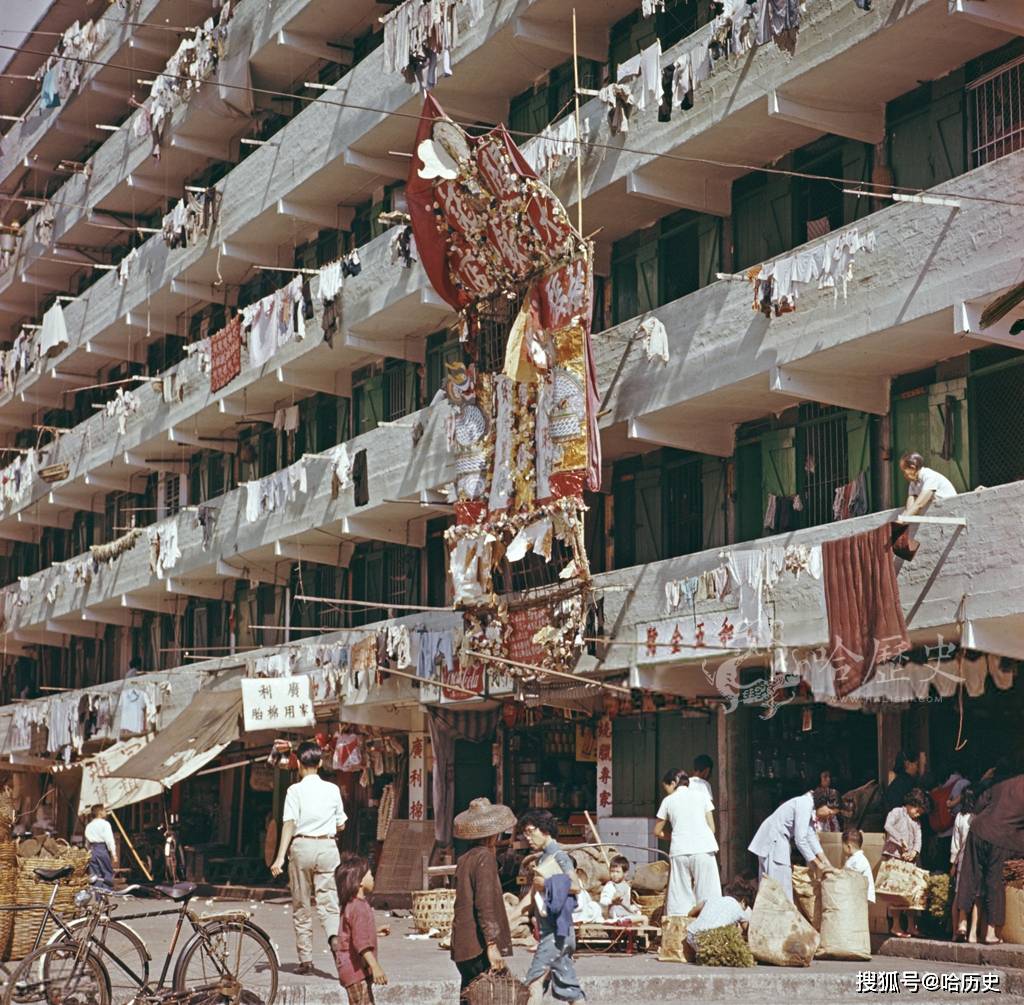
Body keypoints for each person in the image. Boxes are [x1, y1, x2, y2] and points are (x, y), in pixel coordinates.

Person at [270, 740, 347, 975]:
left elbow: (289, 824)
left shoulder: (294, 791)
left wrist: (279, 858)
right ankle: (333, 937)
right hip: (327, 847)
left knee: (302, 905)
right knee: (329, 903)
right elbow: (341, 824)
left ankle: (306, 961)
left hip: (302, 848)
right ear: (320, 763)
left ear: (298, 764)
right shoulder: (332, 789)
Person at [450, 798, 515, 1001]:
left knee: (470, 995)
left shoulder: (465, 858)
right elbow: (484, 906)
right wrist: (492, 945)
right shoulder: (484, 857)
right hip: (476, 946)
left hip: (463, 945)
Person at [518, 810, 584, 1005]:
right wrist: (509, 918)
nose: (527, 837)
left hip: (556, 934)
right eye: (525, 833)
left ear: (545, 830)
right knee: (570, 989)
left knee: (534, 982)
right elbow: (531, 898)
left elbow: (575, 886)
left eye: (531, 832)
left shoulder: (559, 856)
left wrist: (546, 883)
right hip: (557, 932)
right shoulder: (541, 859)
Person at [955, 771, 1024, 946]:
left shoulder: (1001, 781)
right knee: (994, 882)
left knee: (969, 874)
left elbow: (978, 806)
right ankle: (990, 933)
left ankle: (962, 923)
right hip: (1002, 836)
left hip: (978, 829)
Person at [748, 787, 839, 901]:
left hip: (775, 841)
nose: (828, 817)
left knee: (773, 889)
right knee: (779, 889)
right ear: (824, 803)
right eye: (829, 813)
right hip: (774, 842)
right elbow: (800, 840)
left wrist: (826, 862)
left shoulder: (809, 807)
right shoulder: (805, 804)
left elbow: (810, 836)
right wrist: (818, 864)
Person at [655, 770, 721, 917]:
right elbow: (712, 828)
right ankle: (711, 922)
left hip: (680, 850)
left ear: (673, 783)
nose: (667, 792)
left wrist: (675, 837)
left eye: (667, 788)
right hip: (704, 848)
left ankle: (679, 925)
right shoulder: (702, 796)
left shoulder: (668, 801)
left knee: (680, 895)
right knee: (708, 892)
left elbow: (657, 831)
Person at [334, 854, 387, 1004]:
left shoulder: (351, 904)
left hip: (350, 969)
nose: (373, 877)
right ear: (360, 881)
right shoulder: (359, 908)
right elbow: (361, 943)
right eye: (370, 874)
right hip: (356, 971)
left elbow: (353, 933)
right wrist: (375, 967)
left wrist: (375, 932)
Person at [882, 787, 927, 937]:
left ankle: (911, 925)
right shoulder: (897, 812)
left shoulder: (917, 822)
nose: (917, 814)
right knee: (895, 893)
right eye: (917, 810)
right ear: (910, 804)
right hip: (894, 857)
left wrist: (914, 852)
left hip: (909, 860)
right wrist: (900, 840)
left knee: (910, 894)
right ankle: (895, 925)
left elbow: (918, 839)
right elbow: (887, 826)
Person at [685, 878, 754, 951]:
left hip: (691, 934)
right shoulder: (739, 910)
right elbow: (748, 932)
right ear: (743, 901)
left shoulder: (715, 899)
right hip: (710, 940)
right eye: (745, 907)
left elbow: (691, 912)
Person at [950, 786, 978, 942]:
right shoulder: (978, 817)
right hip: (975, 859)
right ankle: (973, 933)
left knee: (958, 894)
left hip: (961, 859)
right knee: (976, 896)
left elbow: (955, 842)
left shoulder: (959, 817)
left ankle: (956, 931)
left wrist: (953, 863)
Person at [599, 856, 642, 921]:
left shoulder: (627, 887)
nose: (614, 874)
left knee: (639, 913)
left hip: (625, 913)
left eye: (617, 872)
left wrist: (634, 907)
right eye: (612, 871)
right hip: (616, 915)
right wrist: (612, 900)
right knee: (644, 918)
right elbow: (603, 901)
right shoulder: (610, 886)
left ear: (625, 873)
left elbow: (626, 904)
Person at [84, 804, 117, 889]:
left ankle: (97, 895)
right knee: (107, 872)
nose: (106, 812)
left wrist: (89, 851)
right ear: (100, 812)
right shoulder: (105, 824)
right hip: (102, 849)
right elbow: (109, 840)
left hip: (92, 851)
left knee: (95, 875)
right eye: (104, 810)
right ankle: (106, 893)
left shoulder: (89, 825)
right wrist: (114, 854)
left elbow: (86, 843)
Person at [842, 828, 875, 903]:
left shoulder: (859, 859)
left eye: (843, 845)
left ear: (849, 847)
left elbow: (852, 875)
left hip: (863, 896)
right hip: (858, 894)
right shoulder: (853, 858)